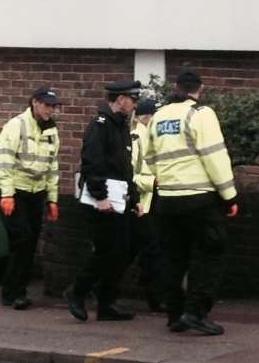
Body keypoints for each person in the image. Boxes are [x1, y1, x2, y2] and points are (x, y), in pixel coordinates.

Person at [146, 70, 239, 335]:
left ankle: (175, 315)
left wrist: (166, 178)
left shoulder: (159, 116)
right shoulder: (200, 114)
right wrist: (229, 194)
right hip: (199, 199)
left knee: (174, 257)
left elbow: (149, 157)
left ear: (176, 87)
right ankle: (196, 313)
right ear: (199, 89)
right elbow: (214, 156)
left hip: (167, 200)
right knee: (211, 253)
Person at [64, 79, 141, 322]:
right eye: (133, 99)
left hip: (120, 200)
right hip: (103, 202)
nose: (135, 104)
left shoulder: (120, 125)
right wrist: (101, 196)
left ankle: (107, 304)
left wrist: (134, 197)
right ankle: (77, 292)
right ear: (121, 99)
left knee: (120, 253)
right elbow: (92, 163)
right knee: (106, 252)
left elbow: (124, 166)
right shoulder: (101, 125)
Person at [0, 85, 61, 310]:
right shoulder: (16, 126)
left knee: (29, 244)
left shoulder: (52, 132)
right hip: (16, 193)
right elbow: (4, 161)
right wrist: (7, 194)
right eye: (46, 105)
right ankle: (14, 293)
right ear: (34, 102)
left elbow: (53, 168)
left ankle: (13, 291)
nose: (50, 110)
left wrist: (52, 199)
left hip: (36, 194)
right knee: (22, 240)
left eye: (53, 106)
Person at [127, 98, 165, 312]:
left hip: (151, 203)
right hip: (142, 203)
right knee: (153, 250)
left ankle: (95, 286)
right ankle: (155, 298)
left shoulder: (150, 136)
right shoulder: (137, 137)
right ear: (147, 116)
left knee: (131, 249)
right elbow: (130, 175)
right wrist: (153, 182)